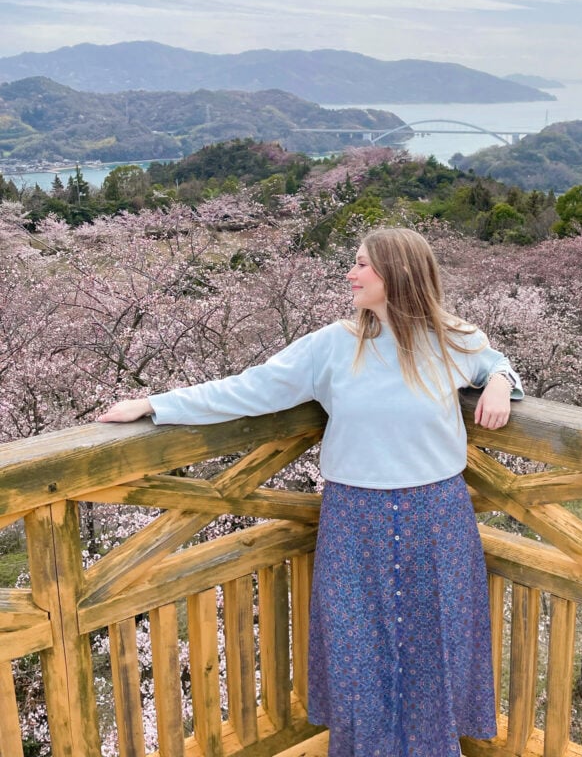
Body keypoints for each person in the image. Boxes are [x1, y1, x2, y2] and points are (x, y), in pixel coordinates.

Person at [99, 226, 523, 757]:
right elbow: (248, 388)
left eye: (363, 264)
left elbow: (494, 362)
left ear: (400, 272)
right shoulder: (331, 346)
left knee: (433, 642)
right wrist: (157, 404)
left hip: (435, 514)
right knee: (354, 649)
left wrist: (503, 383)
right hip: (353, 515)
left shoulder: (453, 339)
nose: (351, 273)